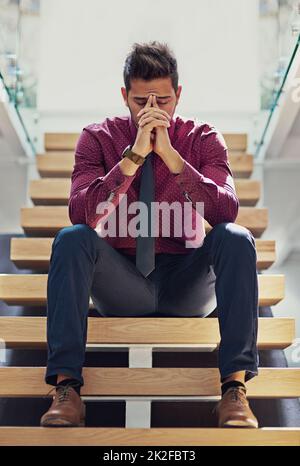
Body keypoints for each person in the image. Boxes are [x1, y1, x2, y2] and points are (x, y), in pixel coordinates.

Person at [40, 41, 259, 428]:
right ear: (124, 95)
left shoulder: (203, 138)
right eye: (141, 101)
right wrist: (134, 157)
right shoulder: (98, 138)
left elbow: (226, 210)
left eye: (165, 101)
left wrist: (172, 157)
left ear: (180, 95)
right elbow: (81, 212)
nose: (153, 111)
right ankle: (67, 389)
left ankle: (234, 391)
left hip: (186, 282)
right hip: (121, 280)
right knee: (71, 237)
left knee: (236, 237)